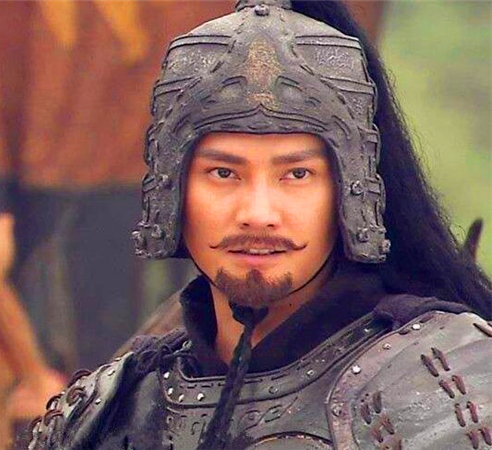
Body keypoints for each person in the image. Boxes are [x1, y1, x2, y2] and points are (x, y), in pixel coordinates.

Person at [26, 1, 492, 449]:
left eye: (297, 175)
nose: (258, 212)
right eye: (223, 173)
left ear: (350, 193)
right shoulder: (106, 416)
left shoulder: (451, 388)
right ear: (172, 191)